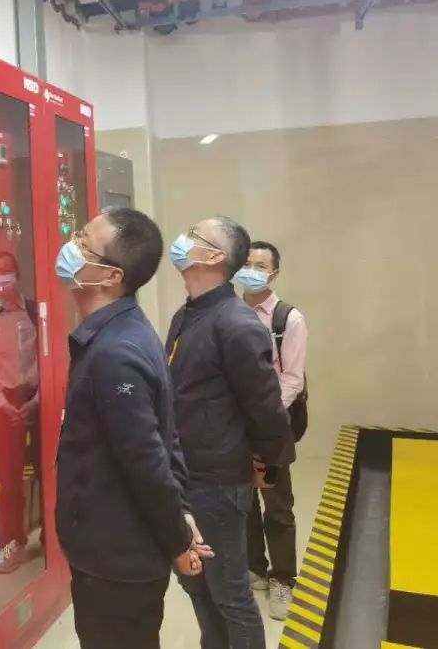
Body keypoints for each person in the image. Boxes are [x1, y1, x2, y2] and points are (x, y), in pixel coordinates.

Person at [55, 208, 214, 649]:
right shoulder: (126, 331)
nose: (70, 248)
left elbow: (145, 463)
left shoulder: (115, 353)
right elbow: (165, 435)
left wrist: (178, 540)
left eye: (83, 244)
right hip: (119, 549)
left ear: (111, 276)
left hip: (116, 557)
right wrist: (182, 514)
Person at [166, 217, 290, 648]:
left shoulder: (236, 324)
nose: (182, 241)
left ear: (215, 257)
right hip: (185, 476)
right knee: (196, 583)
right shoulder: (187, 314)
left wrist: (269, 464)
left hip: (216, 484)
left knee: (230, 593)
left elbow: (266, 409)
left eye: (193, 236)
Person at [236, 241, 308, 620]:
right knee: (244, 500)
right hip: (233, 428)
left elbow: (292, 378)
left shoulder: (288, 320)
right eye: (247, 263)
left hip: (271, 427)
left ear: (274, 273)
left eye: (260, 266)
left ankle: (283, 578)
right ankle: (255, 567)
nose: (251, 271)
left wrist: (262, 417)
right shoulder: (228, 314)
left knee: (277, 505)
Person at [0, 251, 40, 573]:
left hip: (37, 398)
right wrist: (4, 405)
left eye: (4, 270)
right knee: (9, 477)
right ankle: (14, 542)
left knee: (48, 468)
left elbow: (48, 357)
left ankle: (51, 537)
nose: (0, 277)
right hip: (4, 402)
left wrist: (36, 402)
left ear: (16, 274)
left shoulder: (34, 310)